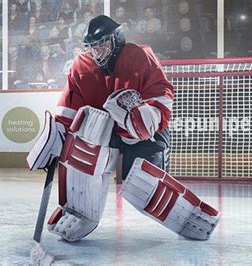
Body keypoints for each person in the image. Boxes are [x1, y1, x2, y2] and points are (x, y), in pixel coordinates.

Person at [28, 17, 220, 265]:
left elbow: (162, 94)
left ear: (117, 39)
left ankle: (191, 216)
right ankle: (81, 211)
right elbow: (69, 109)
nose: (96, 51)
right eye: (91, 46)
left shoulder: (140, 56)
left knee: (141, 184)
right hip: (106, 131)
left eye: (101, 44)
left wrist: (142, 118)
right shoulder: (80, 66)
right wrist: (57, 134)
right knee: (87, 128)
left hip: (140, 134)